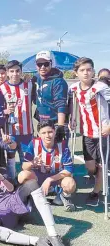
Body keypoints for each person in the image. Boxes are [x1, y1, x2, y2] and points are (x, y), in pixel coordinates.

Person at [0, 151, 70, 246]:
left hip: (11, 201)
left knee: (32, 184)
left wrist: (1, 178)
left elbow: (11, 188)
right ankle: (36, 241)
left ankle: (53, 235)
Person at [69, 57, 110, 206]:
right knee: (90, 166)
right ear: (76, 73)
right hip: (87, 133)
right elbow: (72, 107)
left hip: (103, 133)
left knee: (101, 165)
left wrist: (109, 126)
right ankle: (97, 177)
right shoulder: (73, 89)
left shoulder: (101, 87)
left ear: (93, 70)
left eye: (89, 69)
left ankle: (95, 193)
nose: (86, 73)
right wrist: (72, 119)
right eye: (82, 70)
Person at [18, 120, 76, 211]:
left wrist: (50, 179)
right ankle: (32, 195)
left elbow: (68, 170)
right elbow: (24, 166)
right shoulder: (34, 143)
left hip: (56, 178)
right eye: (43, 133)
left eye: (50, 132)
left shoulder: (62, 145)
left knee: (70, 183)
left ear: (54, 131)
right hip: (39, 177)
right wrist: (32, 163)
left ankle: (63, 195)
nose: (47, 135)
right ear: (39, 134)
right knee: (22, 176)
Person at [0, 60, 34, 163]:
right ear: (7, 72)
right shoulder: (2, 88)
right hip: (11, 132)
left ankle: (27, 178)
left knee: (27, 161)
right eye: (12, 71)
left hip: (26, 132)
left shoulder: (30, 85)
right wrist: (5, 111)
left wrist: (30, 78)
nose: (15, 74)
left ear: (21, 71)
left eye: (18, 71)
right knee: (11, 161)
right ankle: (11, 178)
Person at [33, 50, 69, 142]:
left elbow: (61, 103)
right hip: (42, 123)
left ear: (51, 63)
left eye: (46, 64)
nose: (42, 67)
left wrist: (60, 126)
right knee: (44, 153)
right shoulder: (35, 79)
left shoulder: (58, 81)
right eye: (39, 64)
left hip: (55, 122)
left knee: (59, 154)